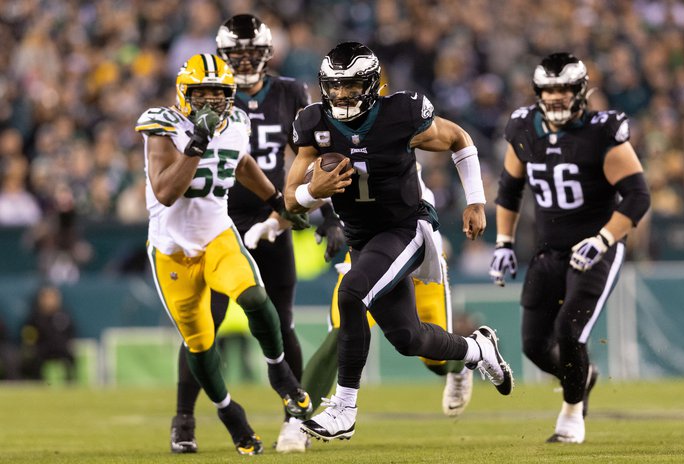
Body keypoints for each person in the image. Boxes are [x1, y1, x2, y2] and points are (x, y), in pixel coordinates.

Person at [284, 41, 514, 442]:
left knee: (352, 294)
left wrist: (476, 200)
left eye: (351, 85)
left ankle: (344, 407)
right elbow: (290, 198)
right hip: (363, 238)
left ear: (372, 84)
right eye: (334, 86)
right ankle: (479, 350)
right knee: (408, 339)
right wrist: (312, 191)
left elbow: (459, 138)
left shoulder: (401, 113)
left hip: (407, 227)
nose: (341, 95)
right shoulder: (313, 124)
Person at [168, 14, 344, 455]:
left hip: (273, 220)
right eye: (237, 55)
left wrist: (330, 216)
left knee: (280, 322)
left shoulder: (288, 92)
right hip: (217, 223)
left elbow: (313, 157)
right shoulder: (205, 97)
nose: (245, 61)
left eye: (252, 53)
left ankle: (295, 421)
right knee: (201, 327)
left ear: (267, 55)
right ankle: (184, 419)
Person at [135, 52, 312, 456]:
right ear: (185, 94)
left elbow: (242, 163)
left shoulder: (236, 122)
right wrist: (196, 142)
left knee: (255, 297)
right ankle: (226, 412)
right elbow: (165, 191)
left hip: (217, 234)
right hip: (173, 251)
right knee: (200, 344)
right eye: (203, 95)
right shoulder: (163, 126)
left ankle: (279, 371)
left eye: (219, 95)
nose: (212, 103)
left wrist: (275, 202)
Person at [488, 52, 650, 444]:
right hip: (549, 249)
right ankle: (584, 377)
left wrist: (604, 239)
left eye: (563, 89)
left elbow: (636, 197)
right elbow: (510, 190)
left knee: (569, 331)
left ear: (581, 91)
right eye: (548, 89)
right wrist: (504, 242)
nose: (556, 96)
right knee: (532, 345)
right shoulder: (524, 128)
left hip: (597, 246)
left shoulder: (601, 131)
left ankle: (572, 414)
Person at [301, 165, 475, 418]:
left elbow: (453, 140)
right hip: (366, 252)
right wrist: (325, 212)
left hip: (416, 254)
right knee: (340, 334)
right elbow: (301, 188)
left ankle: (460, 364)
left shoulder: (394, 137)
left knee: (433, 358)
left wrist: (476, 199)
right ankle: (296, 422)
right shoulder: (333, 141)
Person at [21, 284, 76, 382]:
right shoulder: (35, 317)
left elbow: (71, 332)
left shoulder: (64, 315)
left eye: (52, 297)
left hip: (60, 348)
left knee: (70, 357)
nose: (49, 301)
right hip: (42, 349)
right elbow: (28, 334)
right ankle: (37, 382)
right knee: (34, 358)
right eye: (46, 298)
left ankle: (71, 382)